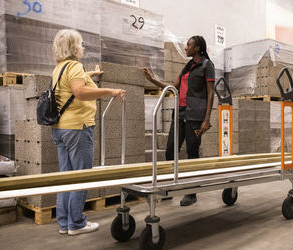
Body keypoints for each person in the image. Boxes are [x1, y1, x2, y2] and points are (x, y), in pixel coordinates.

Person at [51, 29, 126, 235]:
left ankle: (65, 222)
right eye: (81, 44)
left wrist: (91, 74)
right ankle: (76, 223)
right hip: (78, 129)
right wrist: (110, 91)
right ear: (75, 46)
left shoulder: (60, 67)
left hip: (61, 129)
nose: (82, 47)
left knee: (66, 176)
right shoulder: (74, 66)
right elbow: (79, 92)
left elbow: (73, 83)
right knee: (81, 176)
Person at [144, 35, 215, 206]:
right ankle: (169, 188)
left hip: (196, 116)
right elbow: (172, 87)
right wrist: (152, 79)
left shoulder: (207, 65)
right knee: (170, 150)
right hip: (180, 113)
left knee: (192, 152)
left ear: (197, 47)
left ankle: (191, 192)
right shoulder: (188, 66)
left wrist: (206, 120)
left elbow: (211, 93)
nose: (185, 48)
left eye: (189, 45)